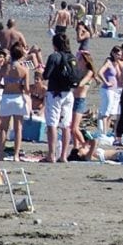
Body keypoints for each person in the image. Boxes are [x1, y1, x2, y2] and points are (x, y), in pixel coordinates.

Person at [43, 33, 76, 163]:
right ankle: (63, 156)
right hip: (68, 93)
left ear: (54, 44)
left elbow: (46, 75)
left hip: (54, 93)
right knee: (65, 125)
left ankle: (51, 155)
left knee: (52, 124)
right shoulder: (71, 57)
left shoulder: (54, 56)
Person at [0, 45, 30, 161]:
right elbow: (26, 88)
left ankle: (1, 154)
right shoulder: (24, 69)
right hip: (18, 97)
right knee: (18, 128)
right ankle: (16, 155)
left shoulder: (5, 68)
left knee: (3, 128)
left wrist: (4, 86)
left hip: (6, 96)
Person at [97, 46, 122, 135]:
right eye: (117, 54)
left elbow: (119, 76)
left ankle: (105, 131)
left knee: (111, 112)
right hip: (107, 89)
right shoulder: (108, 62)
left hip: (114, 90)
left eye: (120, 55)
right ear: (113, 53)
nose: (119, 56)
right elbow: (99, 72)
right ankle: (103, 132)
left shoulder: (116, 63)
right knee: (106, 111)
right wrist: (106, 82)